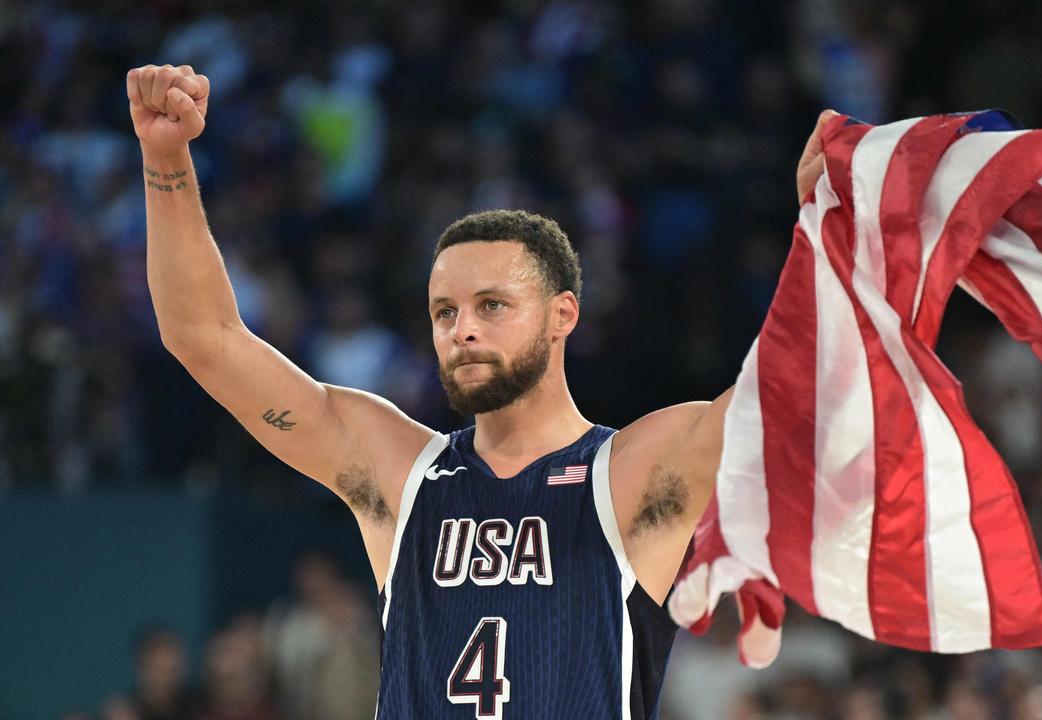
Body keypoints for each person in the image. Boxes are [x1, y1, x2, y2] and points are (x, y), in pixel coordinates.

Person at [126, 63, 835, 719]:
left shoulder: (632, 472)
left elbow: (790, 396)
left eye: (492, 305)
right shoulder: (401, 474)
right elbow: (205, 340)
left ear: (563, 315)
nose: (462, 330)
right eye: (445, 312)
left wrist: (823, 237)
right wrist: (166, 162)